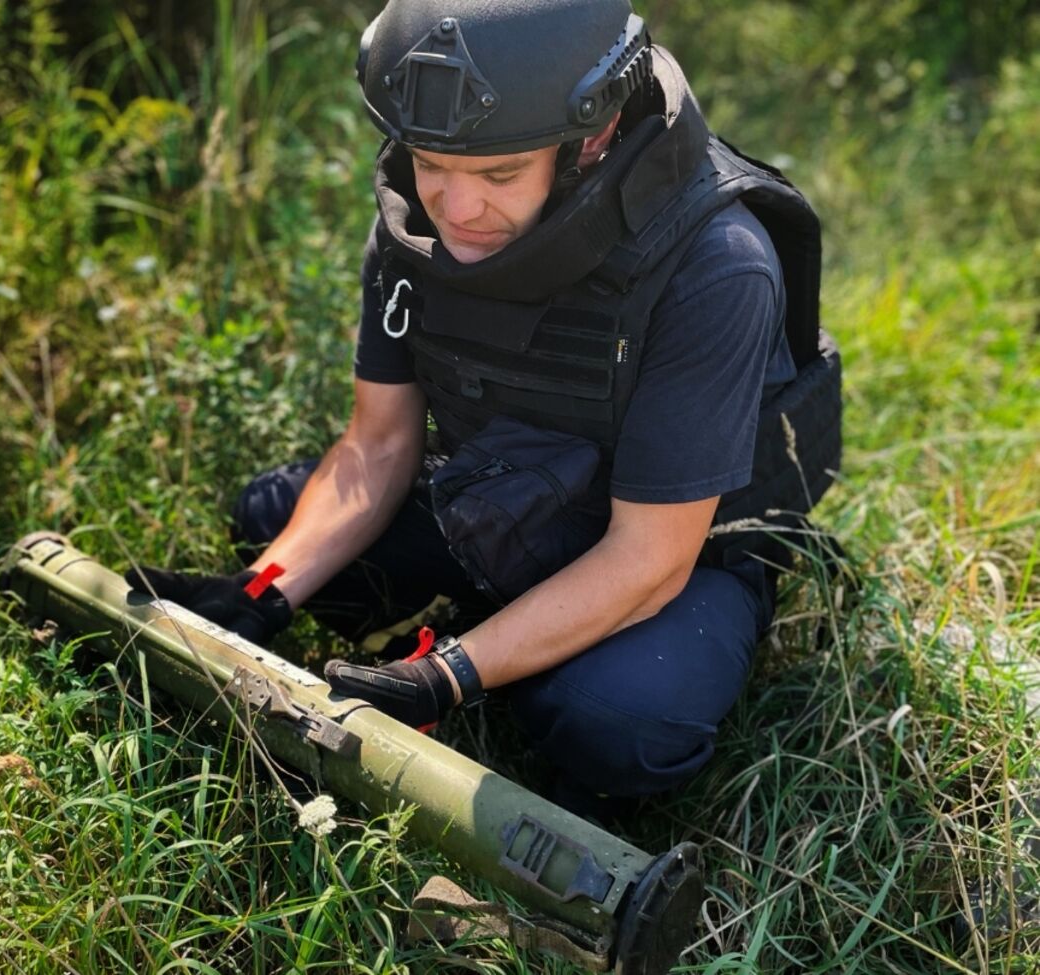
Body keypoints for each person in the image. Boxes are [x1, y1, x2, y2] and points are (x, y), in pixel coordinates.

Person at [127, 0, 842, 812]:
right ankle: (506, 631)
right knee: (270, 519)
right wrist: (258, 593)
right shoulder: (416, 218)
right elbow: (378, 444)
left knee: (611, 722)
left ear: (592, 140)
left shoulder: (713, 265)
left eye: (500, 175)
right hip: (507, 497)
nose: (454, 208)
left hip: (672, 552)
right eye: (430, 162)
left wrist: (444, 675)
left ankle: (529, 661)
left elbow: (650, 557)